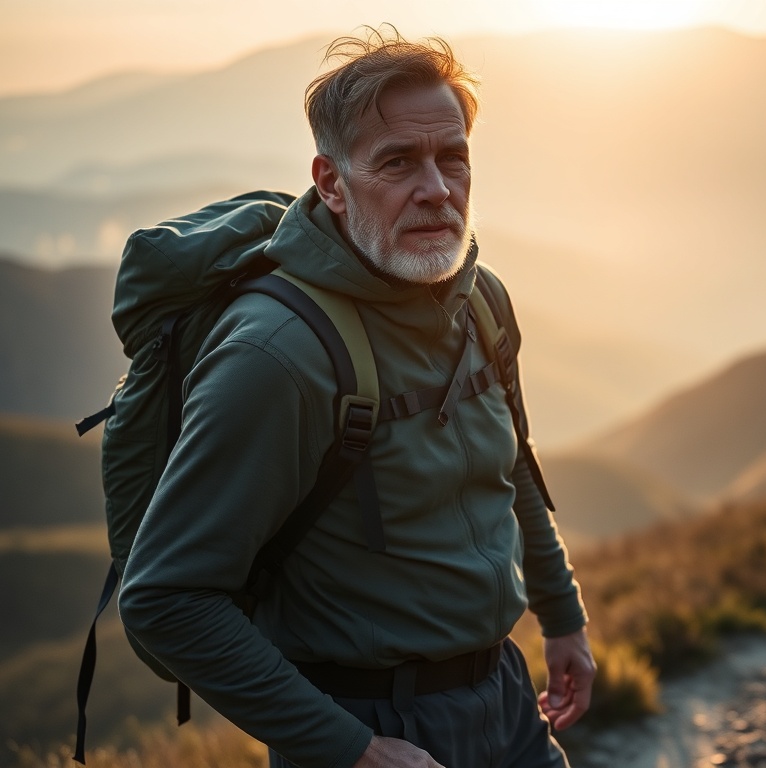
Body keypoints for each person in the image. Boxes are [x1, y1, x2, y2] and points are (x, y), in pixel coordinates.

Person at [118, 27, 595, 768]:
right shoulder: (276, 356)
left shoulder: (481, 303)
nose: (437, 189)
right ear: (332, 183)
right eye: (399, 162)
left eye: (453, 158)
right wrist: (354, 750)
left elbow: (511, 472)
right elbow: (164, 599)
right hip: (367, 725)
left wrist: (562, 617)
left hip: (504, 695)